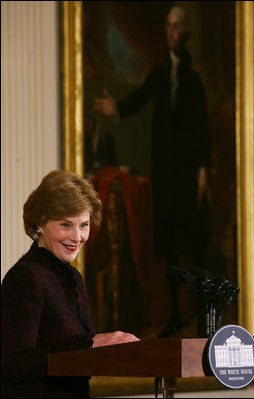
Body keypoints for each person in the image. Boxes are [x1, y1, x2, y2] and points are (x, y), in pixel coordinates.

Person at [94, 6, 211, 337]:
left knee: (194, 242)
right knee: (169, 243)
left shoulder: (193, 80)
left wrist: (203, 169)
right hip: (165, 175)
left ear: (185, 34)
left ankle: (203, 317)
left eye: (178, 28)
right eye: (169, 27)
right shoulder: (159, 74)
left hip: (189, 175)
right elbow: (140, 98)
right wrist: (116, 108)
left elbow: (202, 128)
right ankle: (175, 313)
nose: (173, 33)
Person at [1, 170, 139, 398]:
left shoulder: (74, 278)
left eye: (84, 225)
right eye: (65, 225)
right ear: (39, 224)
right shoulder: (26, 276)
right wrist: (90, 343)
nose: (77, 236)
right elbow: (13, 363)